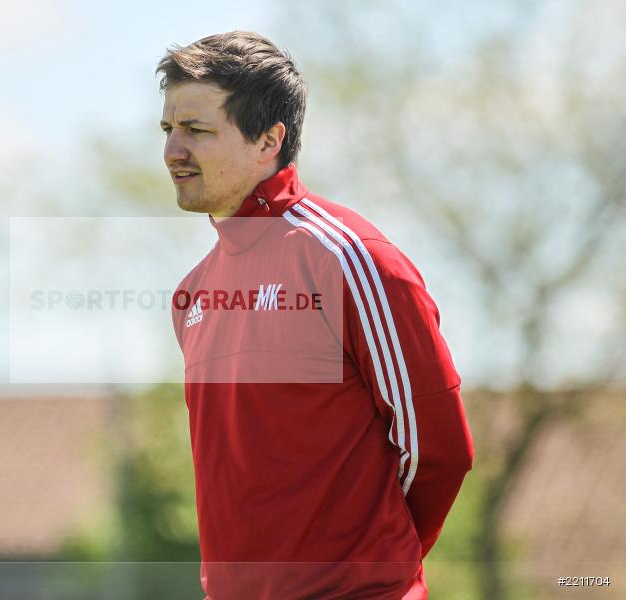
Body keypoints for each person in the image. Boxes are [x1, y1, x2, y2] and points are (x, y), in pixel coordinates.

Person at [160, 31, 474, 599]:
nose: (173, 151)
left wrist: (370, 565)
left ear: (268, 141)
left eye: (197, 130)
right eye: (168, 130)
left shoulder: (351, 259)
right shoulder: (193, 295)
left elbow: (439, 450)